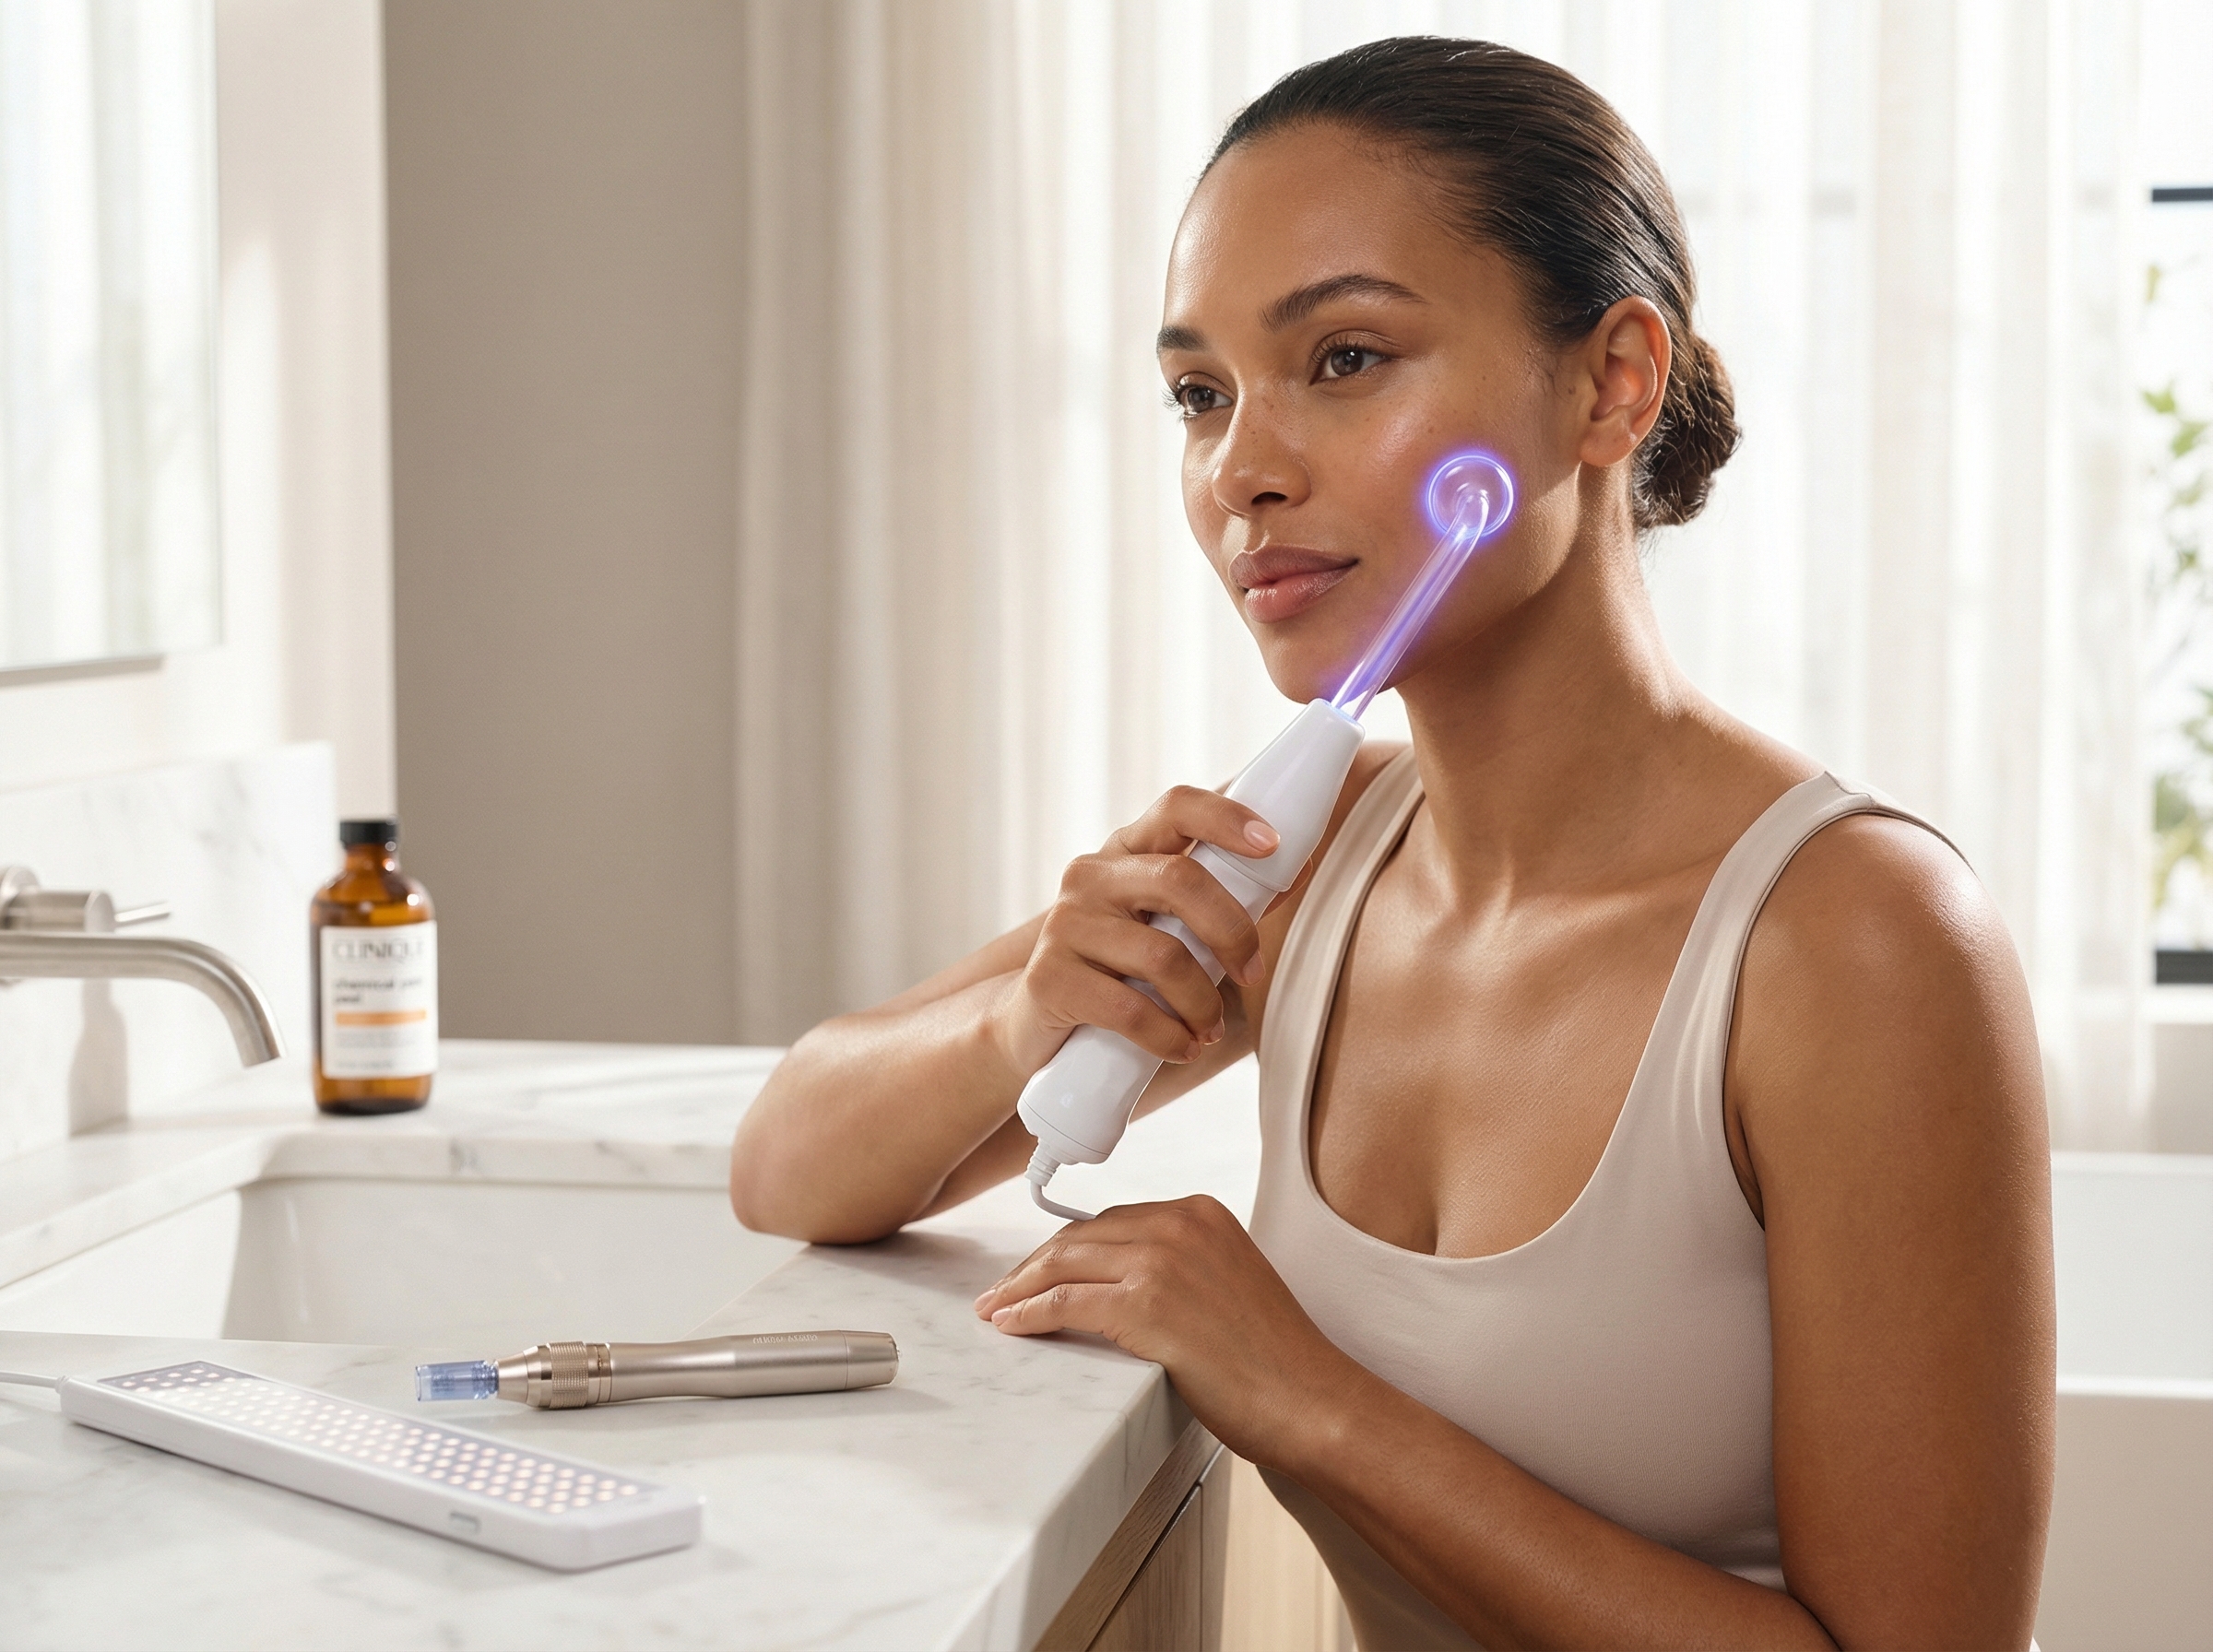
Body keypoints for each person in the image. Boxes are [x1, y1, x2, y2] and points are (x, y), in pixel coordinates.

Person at [730, 36, 2053, 1650]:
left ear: (1610, 383)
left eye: (1346, 359)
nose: (1241, 474)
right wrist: (1027, 1020)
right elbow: (790, 1160)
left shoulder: (1856, 941)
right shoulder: (1315, 852)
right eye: (1199, 395)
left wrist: (1313, 1398)